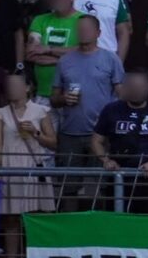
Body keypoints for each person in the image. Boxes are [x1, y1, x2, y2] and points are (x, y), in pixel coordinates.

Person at [52, 15, 123, 204]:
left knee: (98, 187)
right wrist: (63, 98)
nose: (83, 32)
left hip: (100, 135)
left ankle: (95, 229)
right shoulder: (64, 61)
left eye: (88, 29)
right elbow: (53, 99)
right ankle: (69, 229)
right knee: (68, 187)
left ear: (98, 33)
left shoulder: (110, 59)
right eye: (80, 29)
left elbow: (122, 95)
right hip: (70, 133)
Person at [0, 72, 55, 258]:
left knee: (37, 217)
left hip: (33, 166)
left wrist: (36, 132)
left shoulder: (41, 111)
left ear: (28, 88)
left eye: (17, 85)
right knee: (11, 218)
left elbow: (53, 143)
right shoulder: (1, 113)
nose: (13, 89)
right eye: (9, 85)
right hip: (10, 166)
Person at [91, 70, 148, 212]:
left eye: (140, 87)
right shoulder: (111, 110)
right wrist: (106, 160)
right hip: (120, 179)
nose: (136, 91)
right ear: (125, 87)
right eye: (132, 86)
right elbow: (96, 140)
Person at [25, 0, 83, 101]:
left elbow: (85, 53)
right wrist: (67, 59)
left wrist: (48, 49)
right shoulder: (39, 20)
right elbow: (31, 54)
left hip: (72, 92)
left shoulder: (85, 21)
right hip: (43, 93)